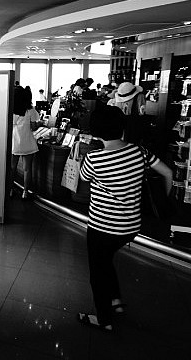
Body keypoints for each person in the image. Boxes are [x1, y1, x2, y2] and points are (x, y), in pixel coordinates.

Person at [77, 105, 172, 331]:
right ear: (121, 128)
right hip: (130, 227)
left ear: (95, 132)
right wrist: (163, 203)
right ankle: (115, 300)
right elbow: (168, 173)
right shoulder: (140, 152)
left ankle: (104, 320)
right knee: (106, 260)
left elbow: (83, 178)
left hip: (102, 227)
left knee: (97, 273)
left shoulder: (94, 158)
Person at [11, 86, 40, 199]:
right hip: (28, 143)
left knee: (12, 167)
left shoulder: (11, 110)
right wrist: (39, 124)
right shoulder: (31, 110)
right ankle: (25, 192)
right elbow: (34, 127)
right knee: (27, 169)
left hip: (14, 143)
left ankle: (10, 189)